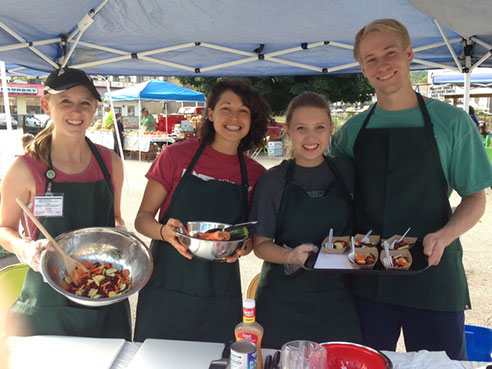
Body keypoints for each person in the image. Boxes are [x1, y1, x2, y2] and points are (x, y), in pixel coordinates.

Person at [331, 19, 492, 360]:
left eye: (390, 53)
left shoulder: (453, 123)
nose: (382, 65)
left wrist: (445, 236)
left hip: (433, 275)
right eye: (371, 59)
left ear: (408, 54)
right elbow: (332, 197)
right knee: (364, 364)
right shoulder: (351, 131)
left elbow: (475, 197)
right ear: (362, 69)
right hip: (368, 277)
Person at [133, 79, 271, 343]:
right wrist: (164, 231)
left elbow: (249, 236)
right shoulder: (175, 156)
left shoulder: (256, 174)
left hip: (219, 291)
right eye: (226, 108)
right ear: (210, 114)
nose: (234, 117)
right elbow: (142, 220)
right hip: (166, 285)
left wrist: (244, 247)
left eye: (244, 111)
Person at [0, 67, 131, 339]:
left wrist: (122, 236)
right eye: (66, 101)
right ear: (47, 106)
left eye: (85, 103)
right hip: (48, 298)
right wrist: (25, 249)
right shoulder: (25, 168)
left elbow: (115, 218)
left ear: (95, 108)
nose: (77, 111)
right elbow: (4, 228)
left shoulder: (110, 164)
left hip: (104, 292)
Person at [250, 92, 362, 348]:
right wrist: (291, 256)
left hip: (339, 300)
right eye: (301, 129)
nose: (311, 138)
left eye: (319, 128)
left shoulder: (348, 172)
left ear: (331, 129)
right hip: (282, 303)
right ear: (287, 131)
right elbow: (261, 245)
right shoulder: (273, 181)